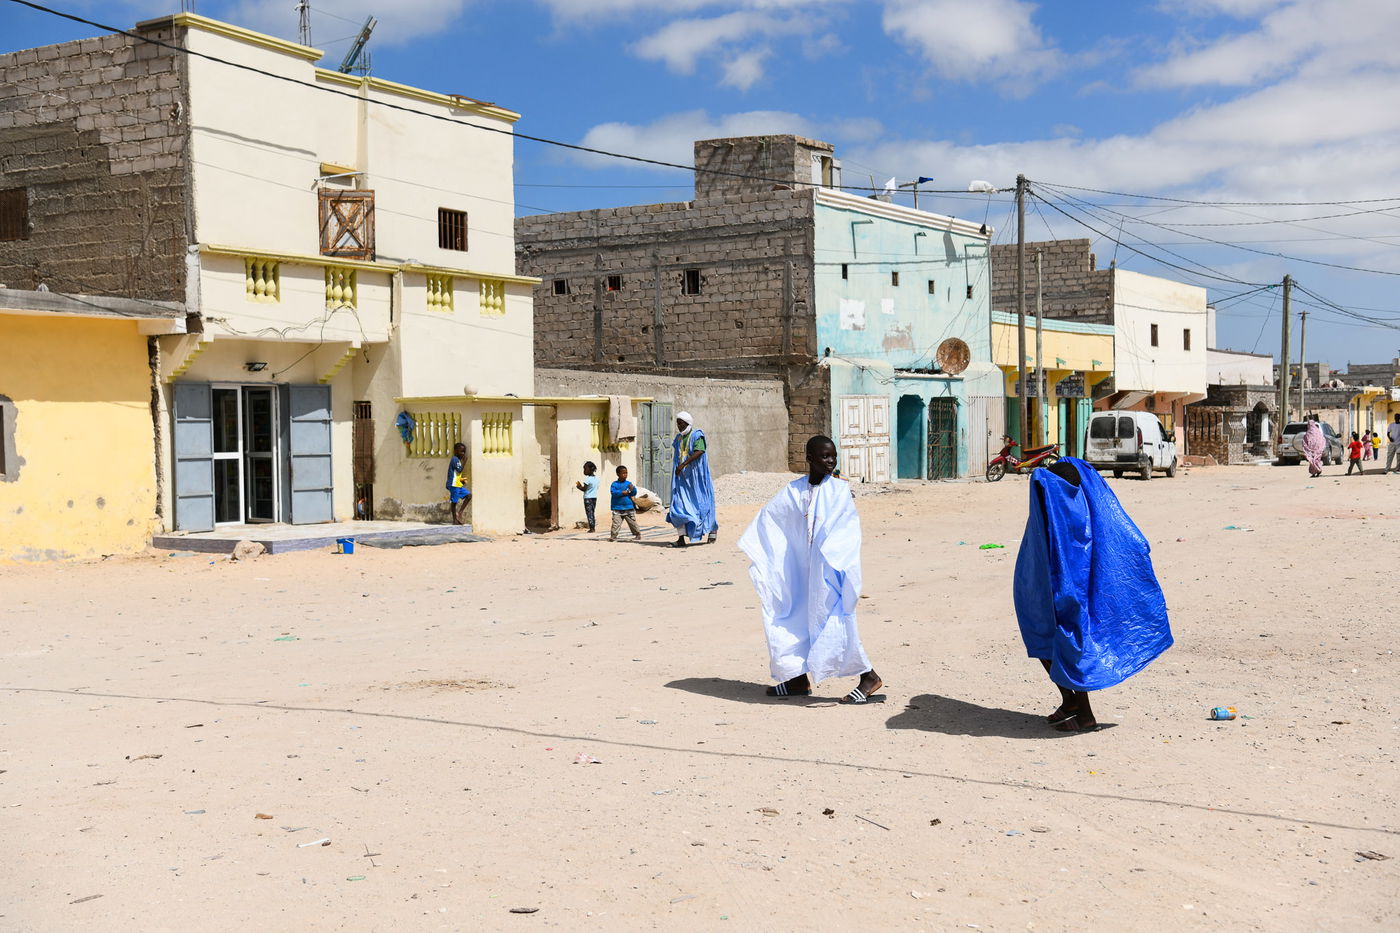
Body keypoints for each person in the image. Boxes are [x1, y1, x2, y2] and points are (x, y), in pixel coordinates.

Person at [1013, 458, 1172, 732]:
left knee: (1066, 642)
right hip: (1063, 587)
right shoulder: (1076, 504)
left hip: (1068, 591)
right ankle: (1069, 702)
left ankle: (1084, 713)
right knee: (1050, 639)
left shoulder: (1057, 503)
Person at [738, 435, 882, 704]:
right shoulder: (793, 490)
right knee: (791, 620)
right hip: (801, 574)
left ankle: (868, 676)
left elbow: (847, 532)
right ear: (809, 459)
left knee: (835, 622)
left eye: (833, 456)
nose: (830, 462)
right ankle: (796, 679)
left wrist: (827, 561)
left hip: (828, 573)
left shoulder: (839, 491)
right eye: (824, 457)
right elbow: (772, 519)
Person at [667, 412, 718, 548]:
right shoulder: (678, 438)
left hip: (697, 478)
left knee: (702, 505)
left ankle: (712, 529)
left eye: (681, 423)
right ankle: (681, 538)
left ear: (688, 423)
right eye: (677, 423)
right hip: (682, 479)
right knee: (678, 506)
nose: (679, 426)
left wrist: (684, 464)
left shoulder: (697, 435)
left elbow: (699, 451)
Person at [609, 465, 643, 542]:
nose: (625, 475)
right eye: (623, 473)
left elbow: (633, 493)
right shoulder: (614, 484)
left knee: (632, 523)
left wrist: (633, 489)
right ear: (618, 474)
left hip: (628, 507)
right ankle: (613, 536)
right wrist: (622, 492)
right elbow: (613, 493)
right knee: (616, 523)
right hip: (617, 508)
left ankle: (637, 534)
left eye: (626, 473)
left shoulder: (629, 483)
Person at [446, 442, 471, 525]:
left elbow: (456, 473)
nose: (463, 453)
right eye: (461, 451)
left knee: (469, 496)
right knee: (454, 502)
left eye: (464, 451)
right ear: (456, 451)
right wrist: (465, 461)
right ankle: (454, 520)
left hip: (457, 484)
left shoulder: (458, 461)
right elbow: (459, 470)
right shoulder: (455, 459)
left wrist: (461, 480)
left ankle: (459, 513)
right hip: (453, 485)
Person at [575, 461, 600, 533]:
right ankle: (593, 526)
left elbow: (584, 489)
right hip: (594, 497)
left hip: (587, 498)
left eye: (585, 469)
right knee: (592, 512)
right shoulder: (596, 479)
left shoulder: (587, 479)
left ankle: (592, 528)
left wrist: (579, 486)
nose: (584, 471)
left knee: (589, 513)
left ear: (590, 469)